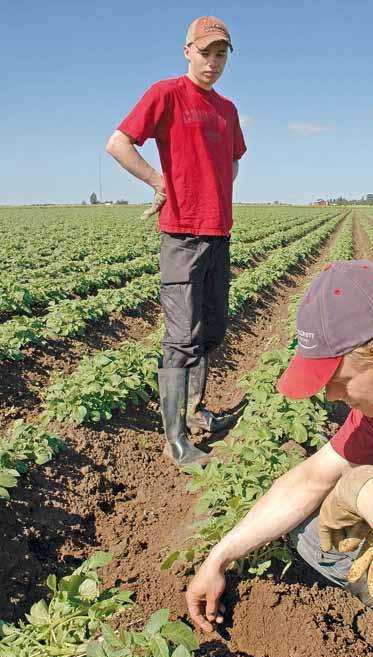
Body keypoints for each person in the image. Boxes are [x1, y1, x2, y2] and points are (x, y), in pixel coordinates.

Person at [186, 260, 373, 657]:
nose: (331, 395)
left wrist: (366, 490)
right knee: (309, 526)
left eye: (339, 381)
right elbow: (311, 478)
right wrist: (218, 557)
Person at [106, 16, 246, 466]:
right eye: (205, 52)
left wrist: (217, 195)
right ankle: (176, 440)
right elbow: (118, 143)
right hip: (182, 235)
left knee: (213, 329)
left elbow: (233, 160)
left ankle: (197, 410)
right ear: (187, 51)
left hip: (218, 233)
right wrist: (157, 181)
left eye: (221, 53)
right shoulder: (166, 93)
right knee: (181, 337)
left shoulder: (227, 109)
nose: (213, 61)